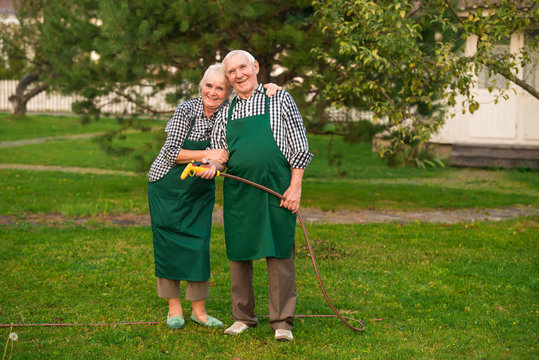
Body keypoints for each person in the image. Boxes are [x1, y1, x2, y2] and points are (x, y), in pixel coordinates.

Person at [148, 63, 281, 330]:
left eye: (220, 87)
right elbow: (171, 152)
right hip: (167, 185)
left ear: (228, 90)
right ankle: (174, 308)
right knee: (169, 244)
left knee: (198, 245)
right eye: (209, 86)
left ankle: (199, 311)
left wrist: (272, 88)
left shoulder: (230, 112)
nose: (213, 92)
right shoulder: (187, 109)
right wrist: (206, 154)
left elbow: (225, 151)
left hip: (199, 189)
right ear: (201, 86)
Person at [199, 50, 313, 341]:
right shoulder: (227, 110)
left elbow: (299, 145)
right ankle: (243, 317)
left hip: (276, 188)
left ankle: (282, 322)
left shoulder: (279, 99)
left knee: (279, 253)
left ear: (255, 67)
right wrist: (212, 165)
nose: (239, 74)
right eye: (232, 71)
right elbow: (221, 154)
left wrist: (295, 186)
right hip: (239, 192)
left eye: (242, 67)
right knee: (239, 253)